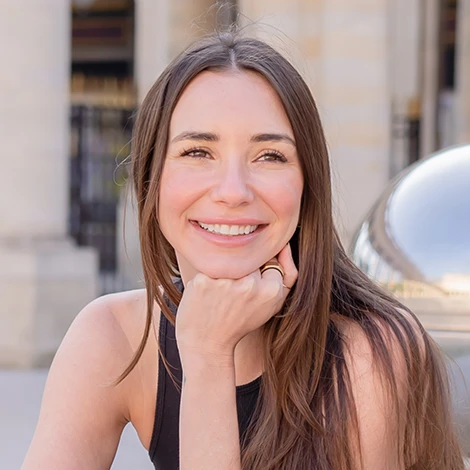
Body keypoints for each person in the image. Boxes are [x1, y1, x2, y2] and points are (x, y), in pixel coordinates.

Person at [22, 32, 464, 470]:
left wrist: (208, 355)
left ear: (307, 185)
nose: (232, 192)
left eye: (269, 156)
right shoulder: (114, 336)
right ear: (151, 180)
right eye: (198, 151)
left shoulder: (369, 353)